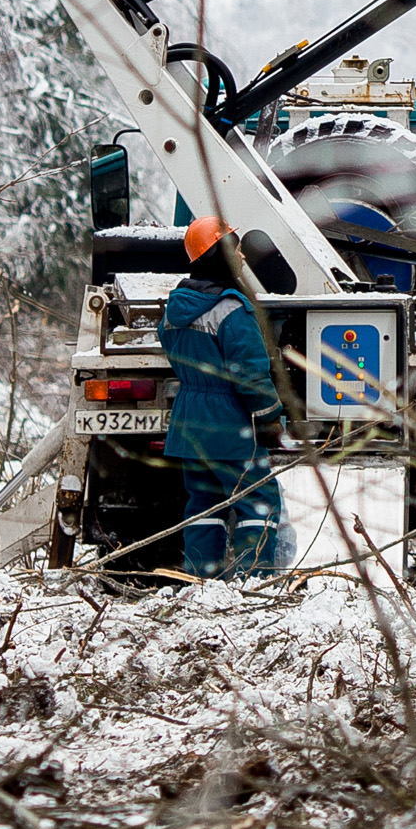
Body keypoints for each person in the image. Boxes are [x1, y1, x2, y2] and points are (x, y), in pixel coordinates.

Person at [158, 217, 287, 578]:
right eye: (236, 246)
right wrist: (269, 418)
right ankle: (254, 579)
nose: (243, 255)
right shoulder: (232, 309)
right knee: (258, 502)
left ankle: (202, 578)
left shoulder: (174, 310)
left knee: (203, 505)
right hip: (230, 425)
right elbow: (250, 372)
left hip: (190, 423)